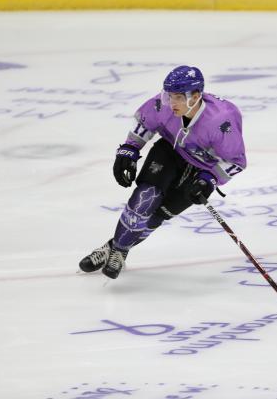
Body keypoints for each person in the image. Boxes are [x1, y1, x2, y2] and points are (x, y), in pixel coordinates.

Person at [78, 65, 246, 279]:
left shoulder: (222, 121)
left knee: (159, 215)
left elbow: (236, 161)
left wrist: (209, 179)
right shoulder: (163, 105)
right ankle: (119, 252)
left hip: (201, 167)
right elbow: (146, 123)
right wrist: (129, 149)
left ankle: (114, 246)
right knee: (147, 195)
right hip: (170, 151)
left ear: (195, 96)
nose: (171, 103)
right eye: (169, 96)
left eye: (178, 97)